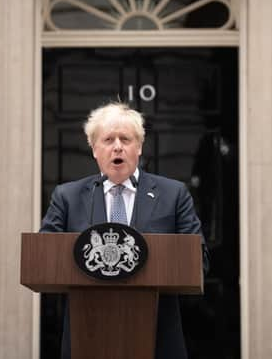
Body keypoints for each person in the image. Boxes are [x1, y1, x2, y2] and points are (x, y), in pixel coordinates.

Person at [40, 102, 208, 359]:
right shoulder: (67, 197)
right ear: (94, 149)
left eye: (125, 139)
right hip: (88, 338)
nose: (117, 146)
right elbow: (43, 258)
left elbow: (200, 260)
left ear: (139, 147)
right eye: (108, 139)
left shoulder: (173, 195)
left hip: (157, 340)